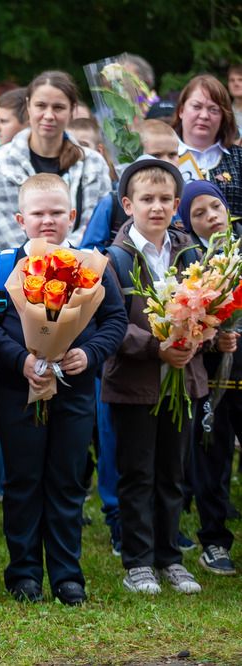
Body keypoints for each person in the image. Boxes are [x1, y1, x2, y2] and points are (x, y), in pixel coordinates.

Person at [0, 174, 126, 605]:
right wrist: (21, 360)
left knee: (67, 480)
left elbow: (114, 320)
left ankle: (66, 573)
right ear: (21, 219)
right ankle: (23, 572)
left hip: (75, 391)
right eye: (38, 213)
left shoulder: (91, 266)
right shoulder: (5, 265)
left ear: (72, 216)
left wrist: (90, 354)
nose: (47, 221)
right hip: (18, 389)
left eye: (57, 213)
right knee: (22, 480)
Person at [102, 158, 204, 595]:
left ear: (177, 205)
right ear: (129, 204)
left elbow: (206, 303)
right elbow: (110, 323)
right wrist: (154, 345)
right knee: (138, 470)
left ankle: (170, 557)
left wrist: (199, 337)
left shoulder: (190, 254)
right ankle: (138, 560)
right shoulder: (114, 260)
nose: (157, 207)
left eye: (165, 200)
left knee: (173, 471)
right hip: (135, 382)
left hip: (182, 379)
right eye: (147, 199)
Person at [0, 70, 112, 267]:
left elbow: (94, 229)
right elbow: (7, 233)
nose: (49, 115)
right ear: (28, 106)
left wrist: (67, 266)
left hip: (80, 273)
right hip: (18, 275)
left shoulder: (94, 163)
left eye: (58, 107)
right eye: (41, 106)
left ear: (72, 110)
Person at [179, 181, 239, 576]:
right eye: (198, 213)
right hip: (213, 379)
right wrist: (213, 336)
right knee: (211, 457)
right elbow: (182, 321)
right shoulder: (191, 266)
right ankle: (214, 539)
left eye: (214, 207)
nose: (211, 217)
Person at [80, 120, 181, 252]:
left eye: (172, 154)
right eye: (156, 155)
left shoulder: (181, 199)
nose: (166, 161)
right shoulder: (112, 202)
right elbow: (89, 250)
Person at [173, 74, 241, 214]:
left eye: (213, 110)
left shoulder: (239, 158)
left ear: (223, 116)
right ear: (181, 111)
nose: (204, 116)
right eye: (197, 107)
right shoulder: (165, 157)